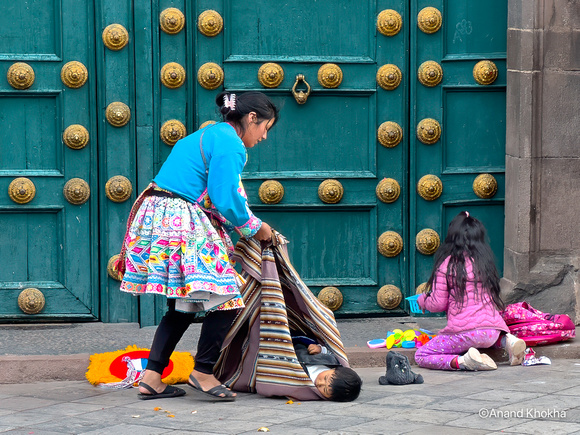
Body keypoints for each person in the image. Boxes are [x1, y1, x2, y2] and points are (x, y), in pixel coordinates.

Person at [115, 91, 279, 400]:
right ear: (251, 118)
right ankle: (203, 371)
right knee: (228, 297)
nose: (264, 136)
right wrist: (255, 228)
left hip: (160, 214)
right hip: (181, 219)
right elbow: (223, 195)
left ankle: (151, 378)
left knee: (184, 305)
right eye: (265, 127)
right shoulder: (231, 143)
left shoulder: (208, 134)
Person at [414, 211, 526, 371]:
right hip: (492, 332)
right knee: (484, 332)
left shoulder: (447, 265)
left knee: (422, 355)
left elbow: (438, 303)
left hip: (464, 335)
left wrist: (423, 300)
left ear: (452, 238)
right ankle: (508, 342)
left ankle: (464, 361)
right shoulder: (484, 263)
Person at [293, 337, 362, 402]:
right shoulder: (332, 361)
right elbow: (330, 352)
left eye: (324, 389)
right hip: (296, 347)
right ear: (334, 369)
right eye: (325, 378)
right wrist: (319, 349)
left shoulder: (308, 389)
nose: (320, 383)